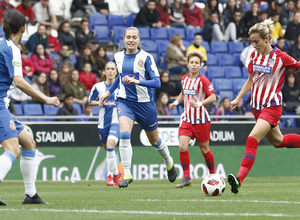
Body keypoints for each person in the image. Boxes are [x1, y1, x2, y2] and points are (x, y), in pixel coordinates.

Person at [227, 18, 300, 194]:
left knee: (252, 139)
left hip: (272, 106)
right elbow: (251, 79)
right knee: (279, 142)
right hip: (257, 108)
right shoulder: (254, 56)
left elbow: (297, 66)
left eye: (256, 41)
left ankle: (239, 180)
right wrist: (238, 98)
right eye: (252, 42)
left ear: (267, 38)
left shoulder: (281, 57)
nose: (253, 45)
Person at [99, 27, 177, 188]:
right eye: (128, 37)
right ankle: (126, 174)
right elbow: (120, 78)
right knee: (124, 134)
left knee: (154, 141)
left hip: (145, 105)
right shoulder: (118, 56)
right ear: (124, 39)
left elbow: (157, 82)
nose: (131, 40)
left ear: (139, 40)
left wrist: (137, 81)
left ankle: (169, 161)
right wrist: (108, 93)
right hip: (125, 102)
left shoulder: (146, 58)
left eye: (134, 37)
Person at [0, 10, 60, 206]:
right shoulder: (11, 48)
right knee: (12, 150)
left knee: (28, 142)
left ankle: (31, 195)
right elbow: (18, 81)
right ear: (24, 29)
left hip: (4, 107)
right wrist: (45, 98)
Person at [169, 49, 217, 188]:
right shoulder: (184, 78)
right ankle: (187, 178)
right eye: (192, 62)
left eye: (197, 63)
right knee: (182, 146)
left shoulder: (203, 80)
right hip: (187, 119)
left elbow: (213, 97)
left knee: (204, 150)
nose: (194, 65)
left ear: (200, 65)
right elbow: (183, 93)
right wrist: (176, 103)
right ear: (188, 64)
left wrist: (199, 104)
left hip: (201, 120)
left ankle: (212, 175)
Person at [89, 62, 120, 187]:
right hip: (102, 123)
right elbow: (90, 101)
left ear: (116, 72)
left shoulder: (121, 87)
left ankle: (110, 176)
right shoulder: (98, 87)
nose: (110, 71)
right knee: (108, 150)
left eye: (113, 69)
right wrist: (99, 102)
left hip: (116, 121)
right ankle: (116, 173)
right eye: (108, 69)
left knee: (111, 145)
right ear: (104, 72)